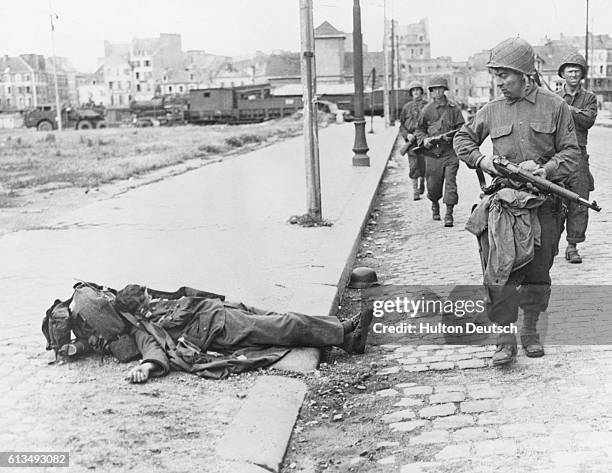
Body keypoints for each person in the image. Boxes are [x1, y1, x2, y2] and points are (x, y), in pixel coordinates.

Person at [453, 37, 581, 365]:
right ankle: (504, 338)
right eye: (496, 76)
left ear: (525, 75)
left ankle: (530, 331)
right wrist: (483, 161)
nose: (499, 83)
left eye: (504, 76)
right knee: (500, 269)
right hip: (505, 205)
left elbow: (571, 154)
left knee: (539, 271)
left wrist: (545, 168)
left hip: (545, 204)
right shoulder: (492, 110)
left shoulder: (555, 106)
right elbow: (463, 138)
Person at [111, 285, 374, 383]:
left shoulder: (155, 305)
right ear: (141, 310)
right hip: (223, 329)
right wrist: (146, 368)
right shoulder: (143, 329)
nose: (154, 299)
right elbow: (153, 350)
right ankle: (344, 332)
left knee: (280, 319)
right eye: (148, 301)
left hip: (226, 312)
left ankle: (347, 335)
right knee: (285, 325)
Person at [556, 52, 598, 264]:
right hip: (557, 156)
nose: (573, 74)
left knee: (579, 201)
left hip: (579, 155)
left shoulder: (589, 98)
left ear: (582, 74)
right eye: (569, 70)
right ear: (562, 74)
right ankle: (551, 245)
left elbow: (587, 120)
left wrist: (567, 109)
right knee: (553, 200)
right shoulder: (553, 98)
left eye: (577, 70)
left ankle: (572, 246)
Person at [416, 76, 465, 226]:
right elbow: (420, 129)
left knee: (451, 183)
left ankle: (449, 213)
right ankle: (435, 204)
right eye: (434, 89)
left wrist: (452, 139)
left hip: (450, 153)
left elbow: (462, 129)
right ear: (430, 92)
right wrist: (424, 140)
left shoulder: (454, 109)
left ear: (445, 90)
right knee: (433, 187)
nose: (437, 92)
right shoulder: (426, 110)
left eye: (440, 89)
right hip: (432, 155)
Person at [399, 80, 428, 200]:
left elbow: (431, 123)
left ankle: (422, 182)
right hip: (411, 142)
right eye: (414, 90)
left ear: (421, 91)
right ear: (411, 93)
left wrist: (425, 136)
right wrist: (407, 135)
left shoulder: (427, 106)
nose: (416, 92)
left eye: (418, 90)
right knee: (413, 166)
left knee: (424, 165)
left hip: (424, 141)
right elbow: (401, 125)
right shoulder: (406, 107)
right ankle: (415, 190)